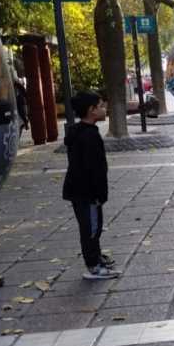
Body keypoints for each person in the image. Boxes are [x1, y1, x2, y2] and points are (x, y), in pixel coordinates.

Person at [62, 90, 120, 280]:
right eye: (101, 106)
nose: (105, 109)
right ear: (91, 110)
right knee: (91, 229)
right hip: (86, 193)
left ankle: (96, 257)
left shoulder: (81, 132)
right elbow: (93, 169)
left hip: (81, 191)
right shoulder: (88, 136)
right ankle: (93, 266)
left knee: (93, 227)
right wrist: (99, 194)